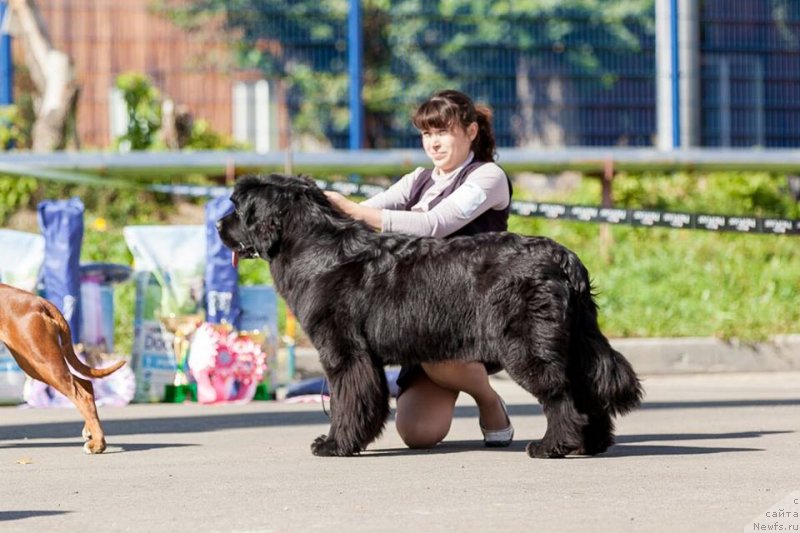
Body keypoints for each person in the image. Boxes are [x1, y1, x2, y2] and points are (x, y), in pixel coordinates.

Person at [324, 89, 514, 449]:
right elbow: (365, 213)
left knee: (434, 351)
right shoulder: (418, 179)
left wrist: (353, 210)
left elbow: (433, 225)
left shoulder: (488, 176)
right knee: (417, 433)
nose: (433, 143)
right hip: (420, 309)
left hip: (473, 309)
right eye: (427, 133)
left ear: (471, 131)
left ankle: (489, 401)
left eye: (443, 132)